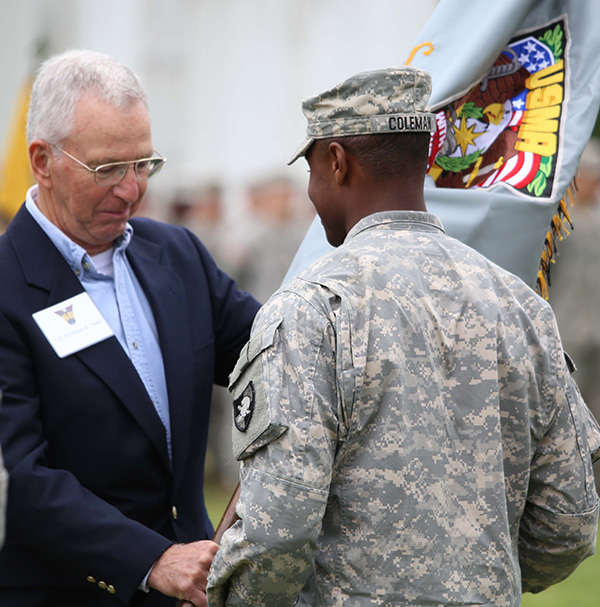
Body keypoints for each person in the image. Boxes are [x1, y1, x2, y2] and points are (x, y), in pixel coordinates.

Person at [207, 67, 600, 607]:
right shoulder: (521, 306)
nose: (312, 188)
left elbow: (277, 531)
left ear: (337, 162)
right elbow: (568, 520)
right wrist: (479, 577)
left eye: (313, 168)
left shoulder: (313, 308)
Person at [0, 50, 260, 607]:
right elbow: (20, 476)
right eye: (108, 169)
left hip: (191, 589)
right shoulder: (6, 287)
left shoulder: (178, 255)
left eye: (144, 164)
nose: (132, 189)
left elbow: (275, 351)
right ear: (41, 161)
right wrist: (152, 559)